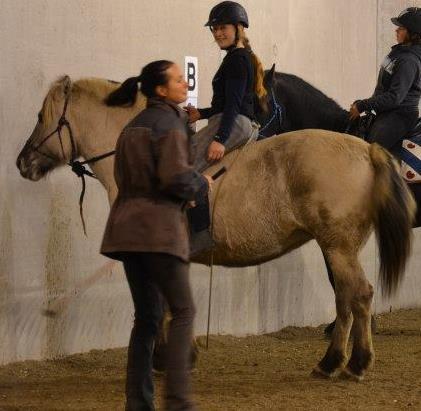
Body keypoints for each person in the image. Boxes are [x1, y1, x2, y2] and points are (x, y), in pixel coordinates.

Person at [101, 60, 213, 411]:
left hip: (126, 233)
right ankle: (178, 402)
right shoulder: (170, 123)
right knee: (182, 312)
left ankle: (139, 403)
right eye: (179, 80)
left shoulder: (131, 127)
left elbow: (126, 179)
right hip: (159, 234)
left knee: (147, 319)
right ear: (161, 90)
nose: (185, 83)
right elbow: (175, 178)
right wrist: (200, 183)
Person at [185, 1, 267, 171]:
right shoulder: (241, 57)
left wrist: (220, 139)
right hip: (237, 123)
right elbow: (229, 102)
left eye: (223, 28)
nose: (218, 33)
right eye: (214, 29)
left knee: (182, 166)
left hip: (232, 125)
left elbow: (233, 104)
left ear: (238, 28)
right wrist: (201, 114)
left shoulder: (236, 59)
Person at [349, 7, 421, 156]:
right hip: (387, 112)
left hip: (399, 115)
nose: (396, 31)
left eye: (401, 28)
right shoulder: (399, 52)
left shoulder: (409, 60)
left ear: (413, 34)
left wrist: (363, 105)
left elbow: (395, 97)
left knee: (368, 153)